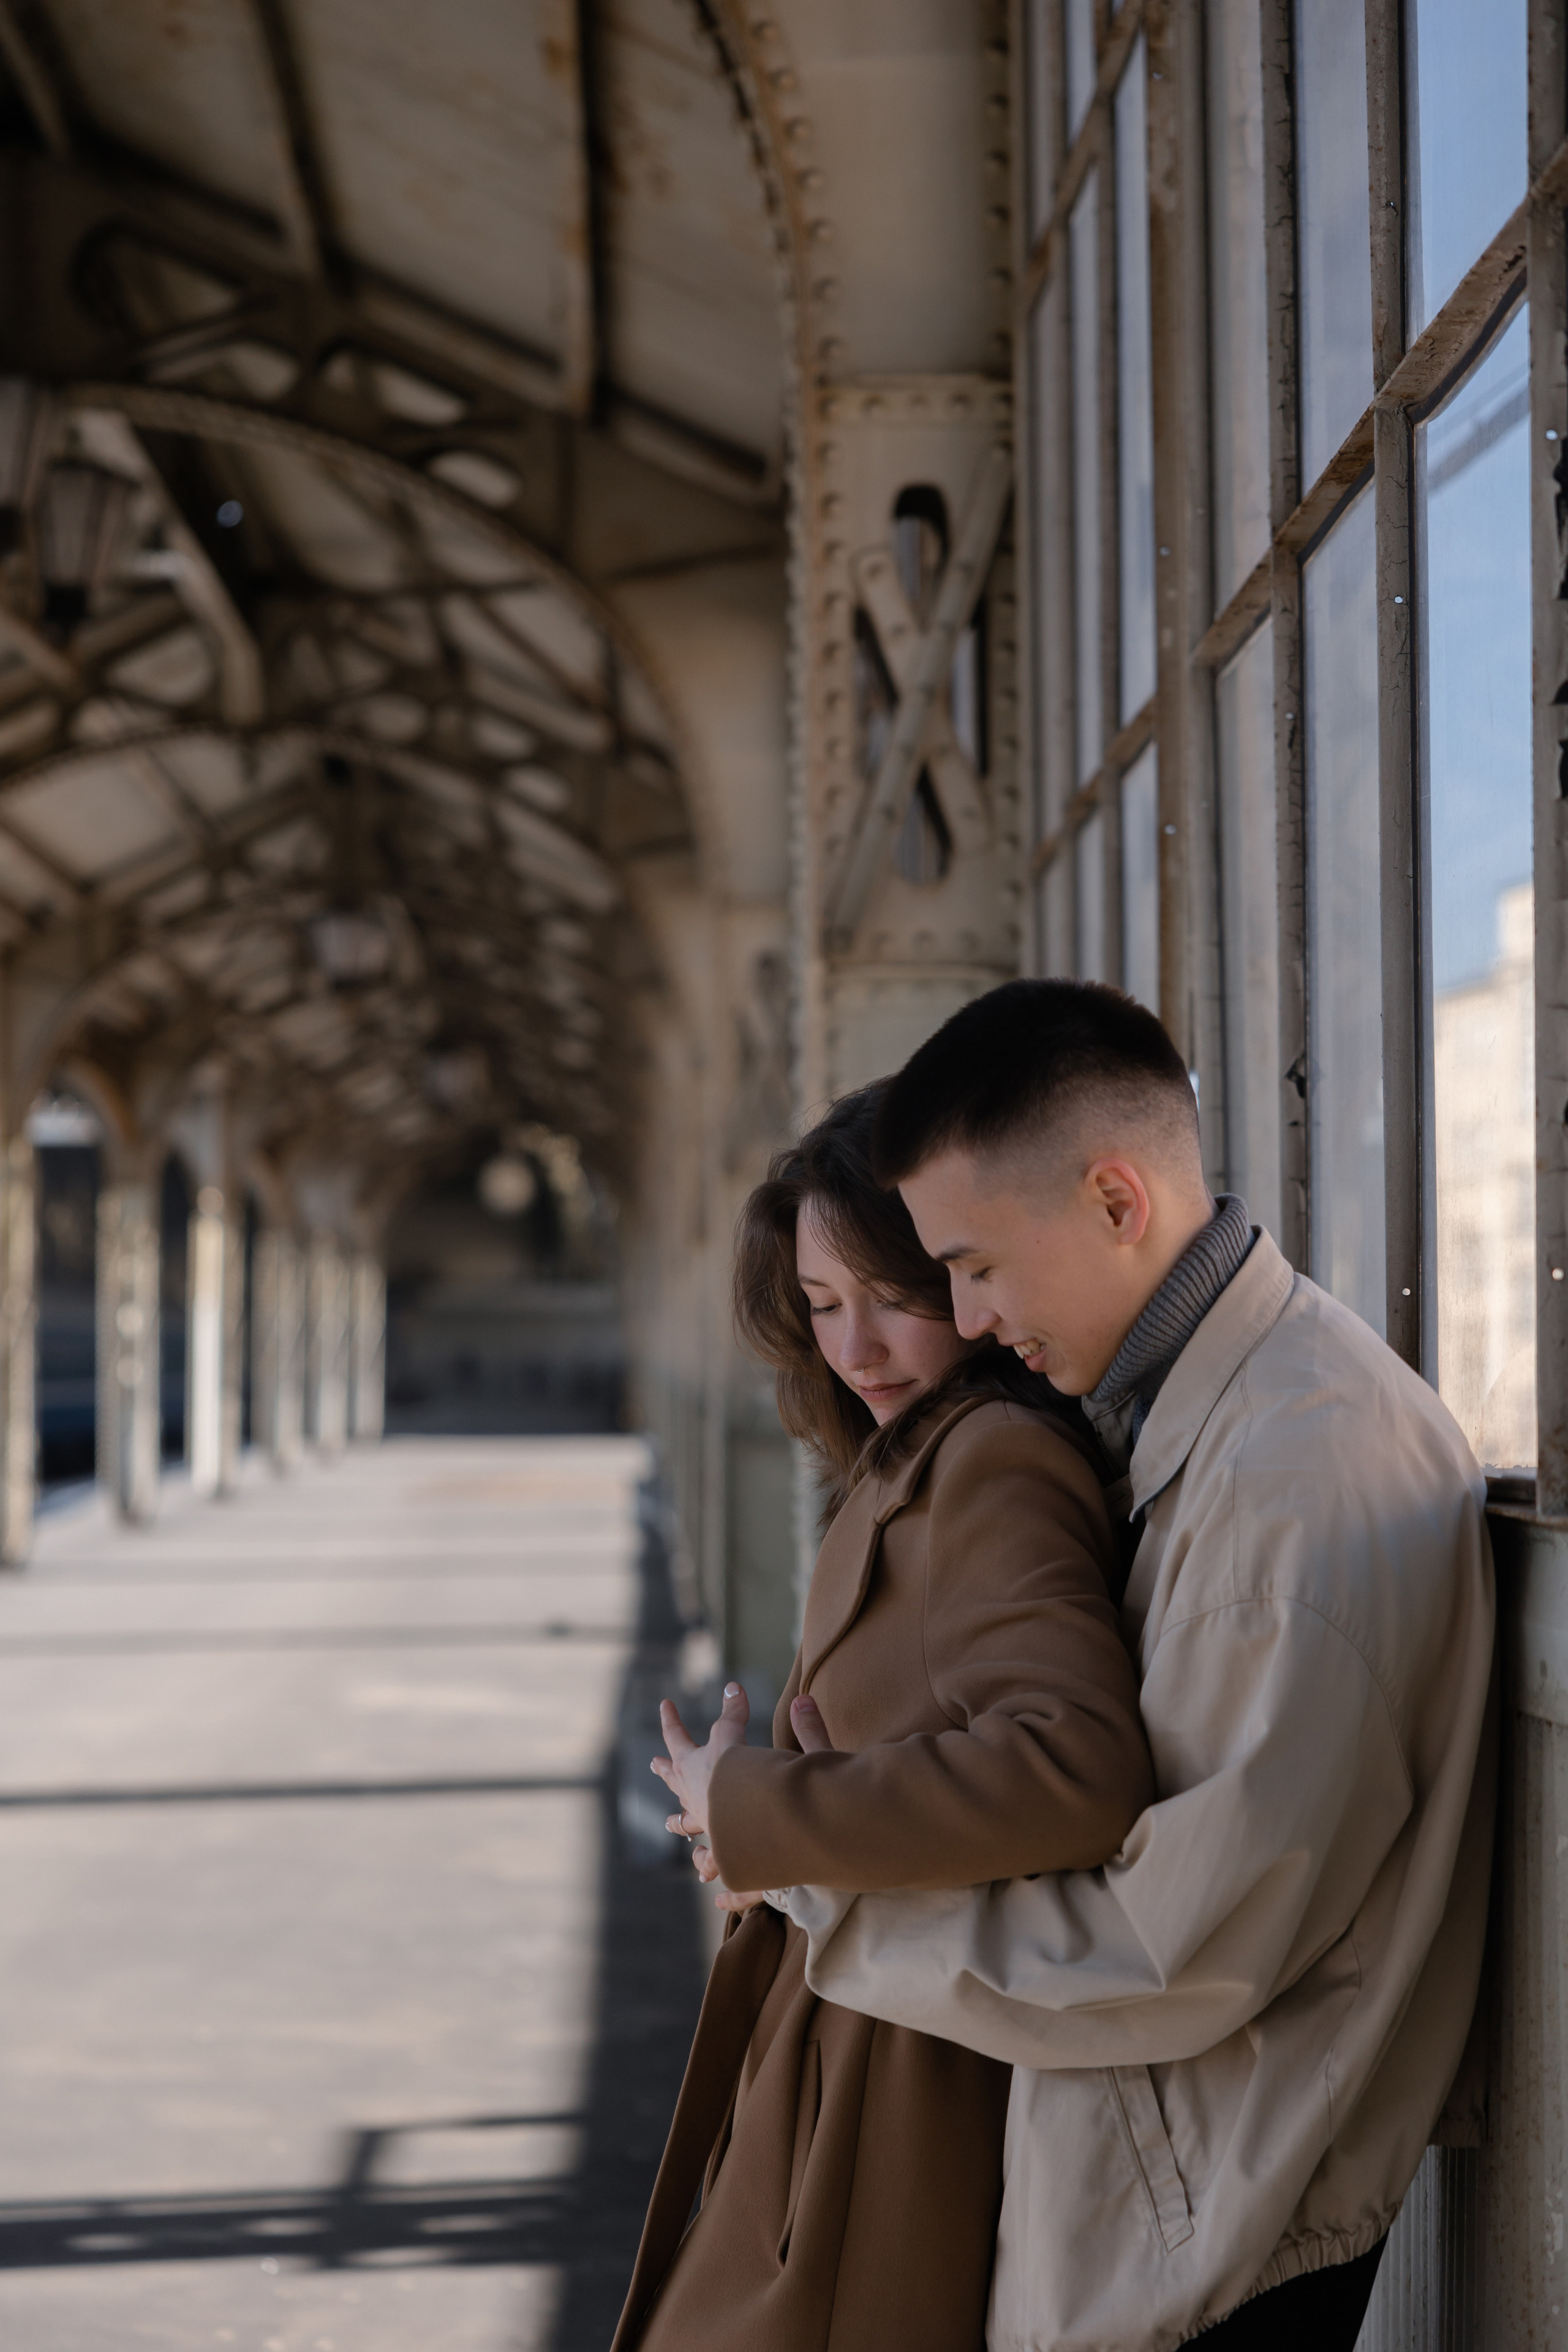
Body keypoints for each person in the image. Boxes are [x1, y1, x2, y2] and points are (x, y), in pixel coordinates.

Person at [761, 979, 1495, 2352]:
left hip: (1206, 2252)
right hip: (1171, 2201)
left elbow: (1171, 1953)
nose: (967, 1318)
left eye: (974, 1266)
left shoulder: (1291, 1485)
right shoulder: (1205, 1419)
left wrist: (828, 1895)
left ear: (1114, 1200)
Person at [610, 1081, 1154, 2352]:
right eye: (819, 1304)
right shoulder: (912, 1455)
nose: (854, 1347)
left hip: (893, 2076)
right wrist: (762, 1828)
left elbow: (1073, 1765)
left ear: (964, 1280)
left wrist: (759, 1808)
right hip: (847, 2039)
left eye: (890, 1296)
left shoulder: (994, 1459)